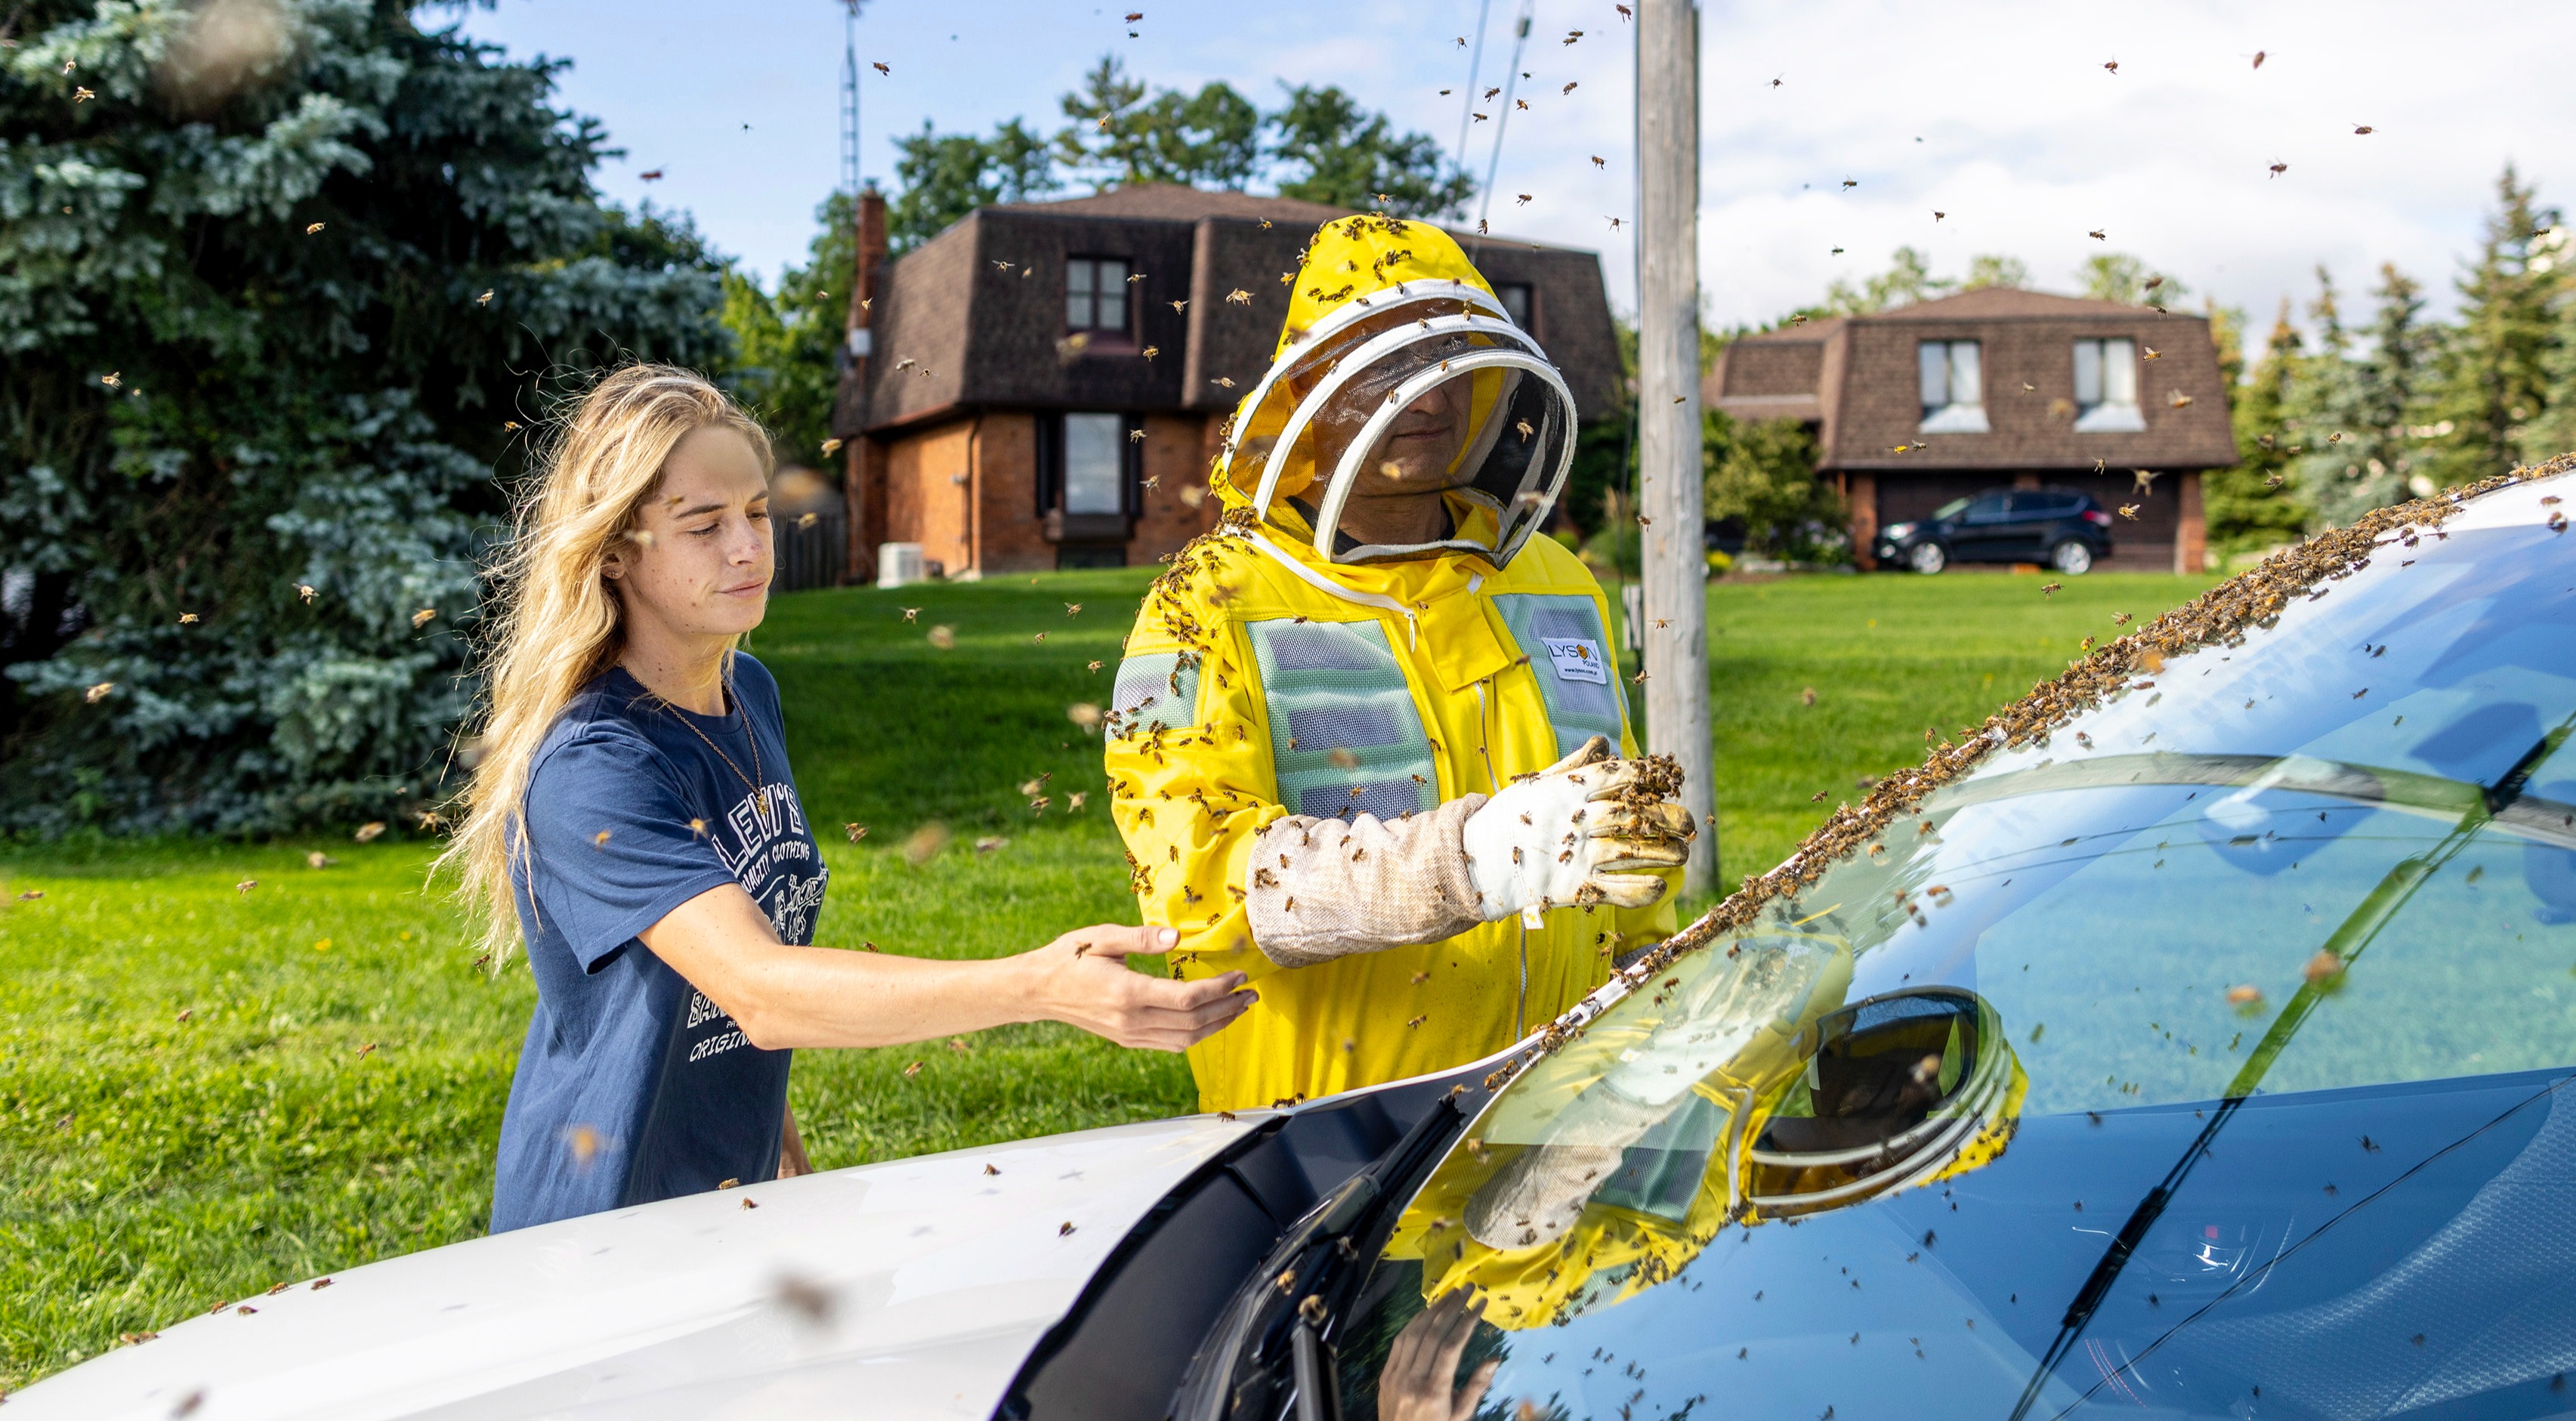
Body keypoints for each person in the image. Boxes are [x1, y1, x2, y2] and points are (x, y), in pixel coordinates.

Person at [441, 365, 1252, 1233]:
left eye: (755, 511)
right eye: (702, 525)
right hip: (599, 1227)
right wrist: (1041, 987)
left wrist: (766, 1125)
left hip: (727, 1201)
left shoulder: (747, 691)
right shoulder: (594, 764)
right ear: (612, 554)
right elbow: (758, 987)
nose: (748, 548)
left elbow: (728, 959)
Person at [1104, 212, 1697, 1116]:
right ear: (1308, 387)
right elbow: (1199, 881)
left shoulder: (1557, 579)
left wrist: (1675, 988)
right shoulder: (1207, 602)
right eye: (1383, 364)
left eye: (1445, 358)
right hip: (1332, 1137)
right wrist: (1473, 859)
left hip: (1566, 1110)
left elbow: (1619, 851)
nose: (1424, 397)